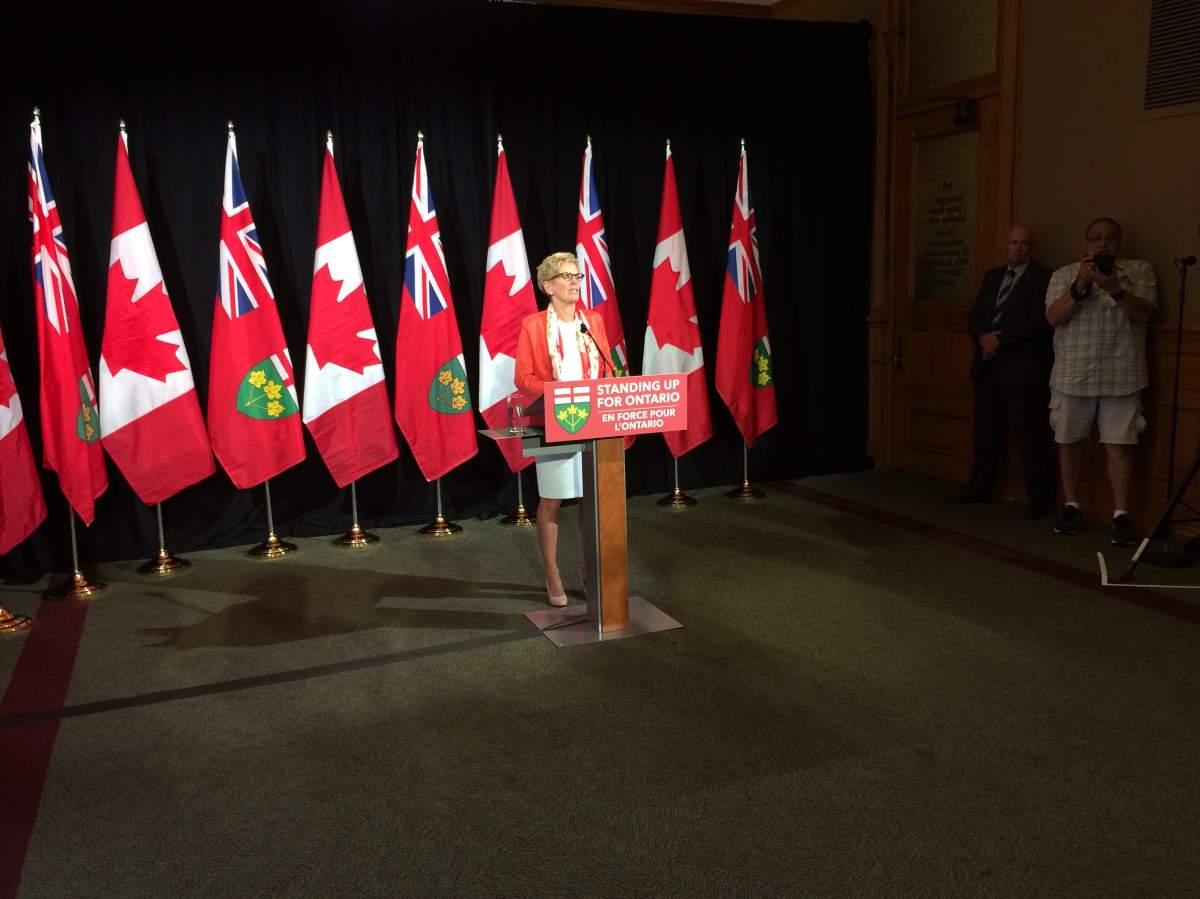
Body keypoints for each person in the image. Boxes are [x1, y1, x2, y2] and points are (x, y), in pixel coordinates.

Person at [1044, 217, 1156, 544]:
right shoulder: (1064, 274)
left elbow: (1144, 313)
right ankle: (1071, 505)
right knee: (1068, 440)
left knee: (1119, 446)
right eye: (1095, 238)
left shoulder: (1139, 272)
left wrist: (1114, 289)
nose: (1102, 244)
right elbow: (1053, 318)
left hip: (1122, 374)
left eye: (1110, 238)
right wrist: (1080, 287)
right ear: (1085, 242)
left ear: (1119, 243)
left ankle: (1121, 515)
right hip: (1072, 373)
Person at [514, 251, 611, 606]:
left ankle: (589, 569)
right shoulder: (534, 325)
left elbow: (607, 369)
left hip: (594, 421)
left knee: (592, 499)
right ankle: (552, 572)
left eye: (577, 275)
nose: (574, 281)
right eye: (566, 276)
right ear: (547, 286)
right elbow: (522, 379)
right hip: (554, 420)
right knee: (552, 499)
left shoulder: (594, 321)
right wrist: (559, 393)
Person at [948, 225, 1054, 517]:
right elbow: (975, 316)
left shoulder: (1044, 278)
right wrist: (982, 337)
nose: (1017, 248)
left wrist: (1000, 339)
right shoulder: (993, 276)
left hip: (1022, 370)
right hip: (987, 366)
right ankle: (979, 488)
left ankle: (1039, 500)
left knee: (1029, 437)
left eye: (1023, 243)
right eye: (1013, 243)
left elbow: (1040, 322)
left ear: (1030, 248)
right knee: (985, 433)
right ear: (1005, 246)